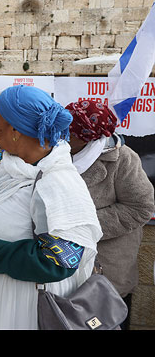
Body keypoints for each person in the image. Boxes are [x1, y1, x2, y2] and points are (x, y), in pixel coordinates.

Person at [0, 85, 102, 330]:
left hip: (18, 308)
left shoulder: (58, 182)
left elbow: (58, 263)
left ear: (15, 130)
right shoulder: (2, 161)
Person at [66, 99, 154, 330]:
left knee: (107, 323)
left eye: (67, 131)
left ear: (85, 135)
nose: (61, 135)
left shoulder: (123, 159)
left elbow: (141, 207)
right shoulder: (59, 154)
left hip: (107, 268)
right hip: (65, 266)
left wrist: (84, 225)